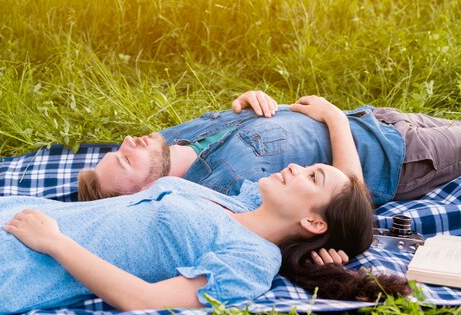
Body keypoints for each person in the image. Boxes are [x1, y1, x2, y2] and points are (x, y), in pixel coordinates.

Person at [0, 98, 409, 315]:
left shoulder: (251, 261)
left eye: (312, 175)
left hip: (15, 260)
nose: (295, 166)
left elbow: (145, 301)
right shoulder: (241, 201)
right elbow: (350, 195)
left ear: (313, 220)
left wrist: (56, 244)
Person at [79, 91, 461, 207]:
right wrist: (333, 119)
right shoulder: (225, 193)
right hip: (400, 156)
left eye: (118, 148)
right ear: (147, 191)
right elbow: (349, 199)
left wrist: (255, 101)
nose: (130, 141)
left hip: (374, 117)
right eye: (127, 159)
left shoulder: (165, 143)